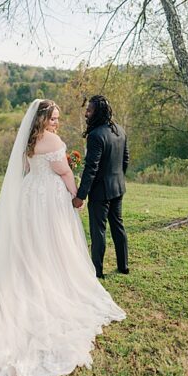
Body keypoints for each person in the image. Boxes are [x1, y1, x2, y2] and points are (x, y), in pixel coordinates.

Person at [0, 99, 126, 376]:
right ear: (43, 118)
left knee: (33, 239)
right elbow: (64, 171)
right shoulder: (53, 140)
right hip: (51, 197)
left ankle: (31, 270)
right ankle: (49, 277)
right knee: (53, 240)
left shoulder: (28, 141)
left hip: (31, 195)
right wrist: (76, 197)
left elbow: (27, 170)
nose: (57, 122)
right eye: (53, 118)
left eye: (57, 118)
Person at [72, 95, 130, 278]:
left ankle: (97, 272)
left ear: (97, 112)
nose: (86, 113)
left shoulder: (95, 135)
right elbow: (125, 160)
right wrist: (118, 178)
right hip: (118, 187)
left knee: (98, 231)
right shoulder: (120, 130)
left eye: (89, 110)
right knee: (118, 226)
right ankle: (123, 266)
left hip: (100, 192)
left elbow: (91, 169)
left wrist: (80, 196)